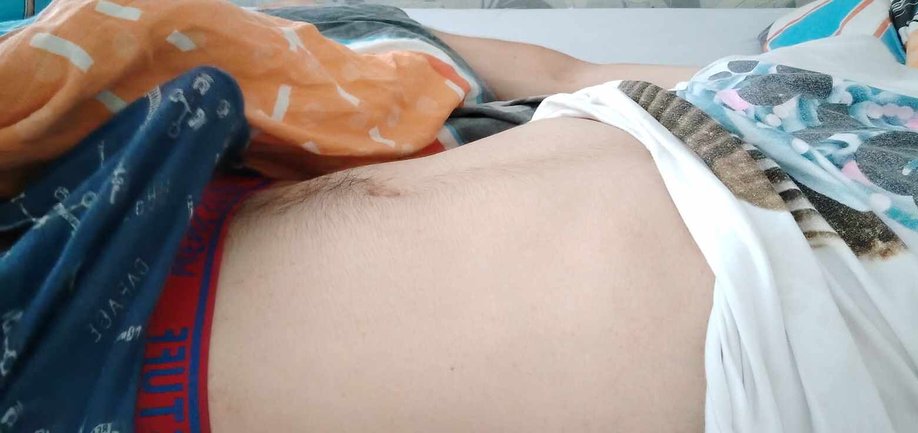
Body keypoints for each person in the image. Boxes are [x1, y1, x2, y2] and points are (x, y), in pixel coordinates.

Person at [204, 32, 710, 432]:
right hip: (717, 332)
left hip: (692, 126)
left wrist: (728, 81)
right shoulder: (187, 52)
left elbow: (568, 74)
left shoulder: (362, 20)